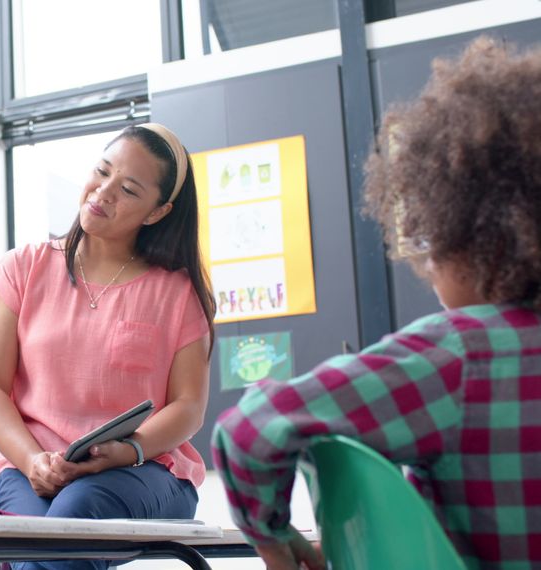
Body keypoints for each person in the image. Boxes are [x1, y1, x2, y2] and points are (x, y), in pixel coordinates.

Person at [212, 36, 541, 570]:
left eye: (431, 242)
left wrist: (275, 540)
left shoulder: (462, 357)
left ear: (472, 231)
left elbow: (251, 429)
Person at [0, 123, 217, 570]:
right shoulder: (20, 269)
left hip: (146, 471)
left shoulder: (177, 293)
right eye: (101, 172)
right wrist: (32, 462)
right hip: (31, 470)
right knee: (46, 544)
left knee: (73, 517)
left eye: (127, 189)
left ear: (158, 212)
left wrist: (129, 450)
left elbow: (188, 407)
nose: (102, 192)